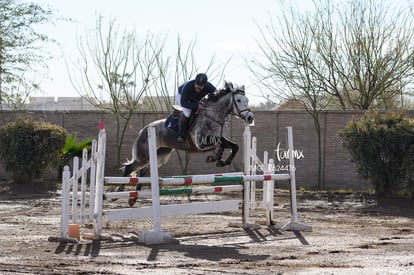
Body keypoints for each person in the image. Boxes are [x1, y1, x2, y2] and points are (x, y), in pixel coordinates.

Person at [175, 73, 217, 143]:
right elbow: (183, 103)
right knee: (187, 112)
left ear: (205, 84)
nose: (199, 87)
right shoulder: (188, 86)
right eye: (197, 84)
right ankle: (181, 135)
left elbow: (216, 95)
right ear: (195, 82)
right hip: (182, 97)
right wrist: (197, 106)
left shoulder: (209, 87)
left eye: (201, 86)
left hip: (195, 98)